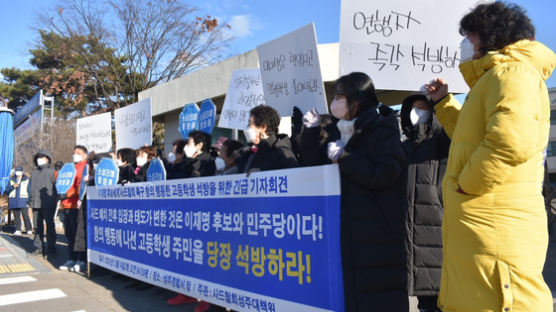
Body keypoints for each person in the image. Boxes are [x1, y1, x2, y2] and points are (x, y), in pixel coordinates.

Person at [424, 3, 556, 311]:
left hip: (494, 221)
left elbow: (510, 141)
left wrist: (465, 185)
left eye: (470, 37)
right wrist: (444, 103)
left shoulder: (513, 73)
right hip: (487, 221)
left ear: (491, 36)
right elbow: (471, 141)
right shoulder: (496, 78)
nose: (467, 45)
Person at [300, 72, 408, 311]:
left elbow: (384, 174)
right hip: (342, 234)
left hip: (375, 239)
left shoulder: (383, 131)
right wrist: (310, 129)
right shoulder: (335, 132)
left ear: (357, 100)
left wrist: (345, 157)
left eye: (340, 96)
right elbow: (312, 164)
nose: (334, 102)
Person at [400, 94, 450, 312]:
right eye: (412, 108)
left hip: (438, 236)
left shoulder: (442, 141)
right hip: (413, 240)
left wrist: (443, 101)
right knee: (425, 304)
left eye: (421, 107)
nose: (416, 112)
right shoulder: (405, 147)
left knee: (444, 302)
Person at [234, 105, 298, 173]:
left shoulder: (282, 153)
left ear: (263, 127)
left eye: (250, 123)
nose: (247, 127)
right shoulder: (248, 153)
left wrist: (260, 174)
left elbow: (292, 178)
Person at [58, 145, 88, 272]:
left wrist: (69, 194)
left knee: (79, 235)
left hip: (77, 205)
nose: (75, 154)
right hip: (66, 205)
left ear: (85, 155)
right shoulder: (69, 168)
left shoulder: (85, 167)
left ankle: (81, 260)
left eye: (79, 153)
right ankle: (72, 258)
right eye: (74, 152)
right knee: (69, 235)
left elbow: (80, 186)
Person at [29, 149, 58, 257]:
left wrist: (56, 198)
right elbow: (30, 187)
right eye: (38, 158)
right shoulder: (34, 172)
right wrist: (31, 200)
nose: (39, 160)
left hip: (48, 203)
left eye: (42, 157)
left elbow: (57, 186)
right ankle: (38, 247)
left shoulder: (52, 171)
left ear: (48, 158)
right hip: (35, 203)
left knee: (50, 226)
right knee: (37, 227)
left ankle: (51, 249)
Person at [5, 166, 32, 235]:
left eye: (19, 171)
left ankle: (28, 229)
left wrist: (30, 200)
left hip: (23, 200)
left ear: (22, 172)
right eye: (17, 171)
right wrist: (12, 187)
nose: (18, 173)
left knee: (25, 215)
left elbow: (30, 190)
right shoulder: (11, 180)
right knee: (16, 216)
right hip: (14, 200)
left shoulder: (27, 180)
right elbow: (7, 191)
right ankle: (18, 229)